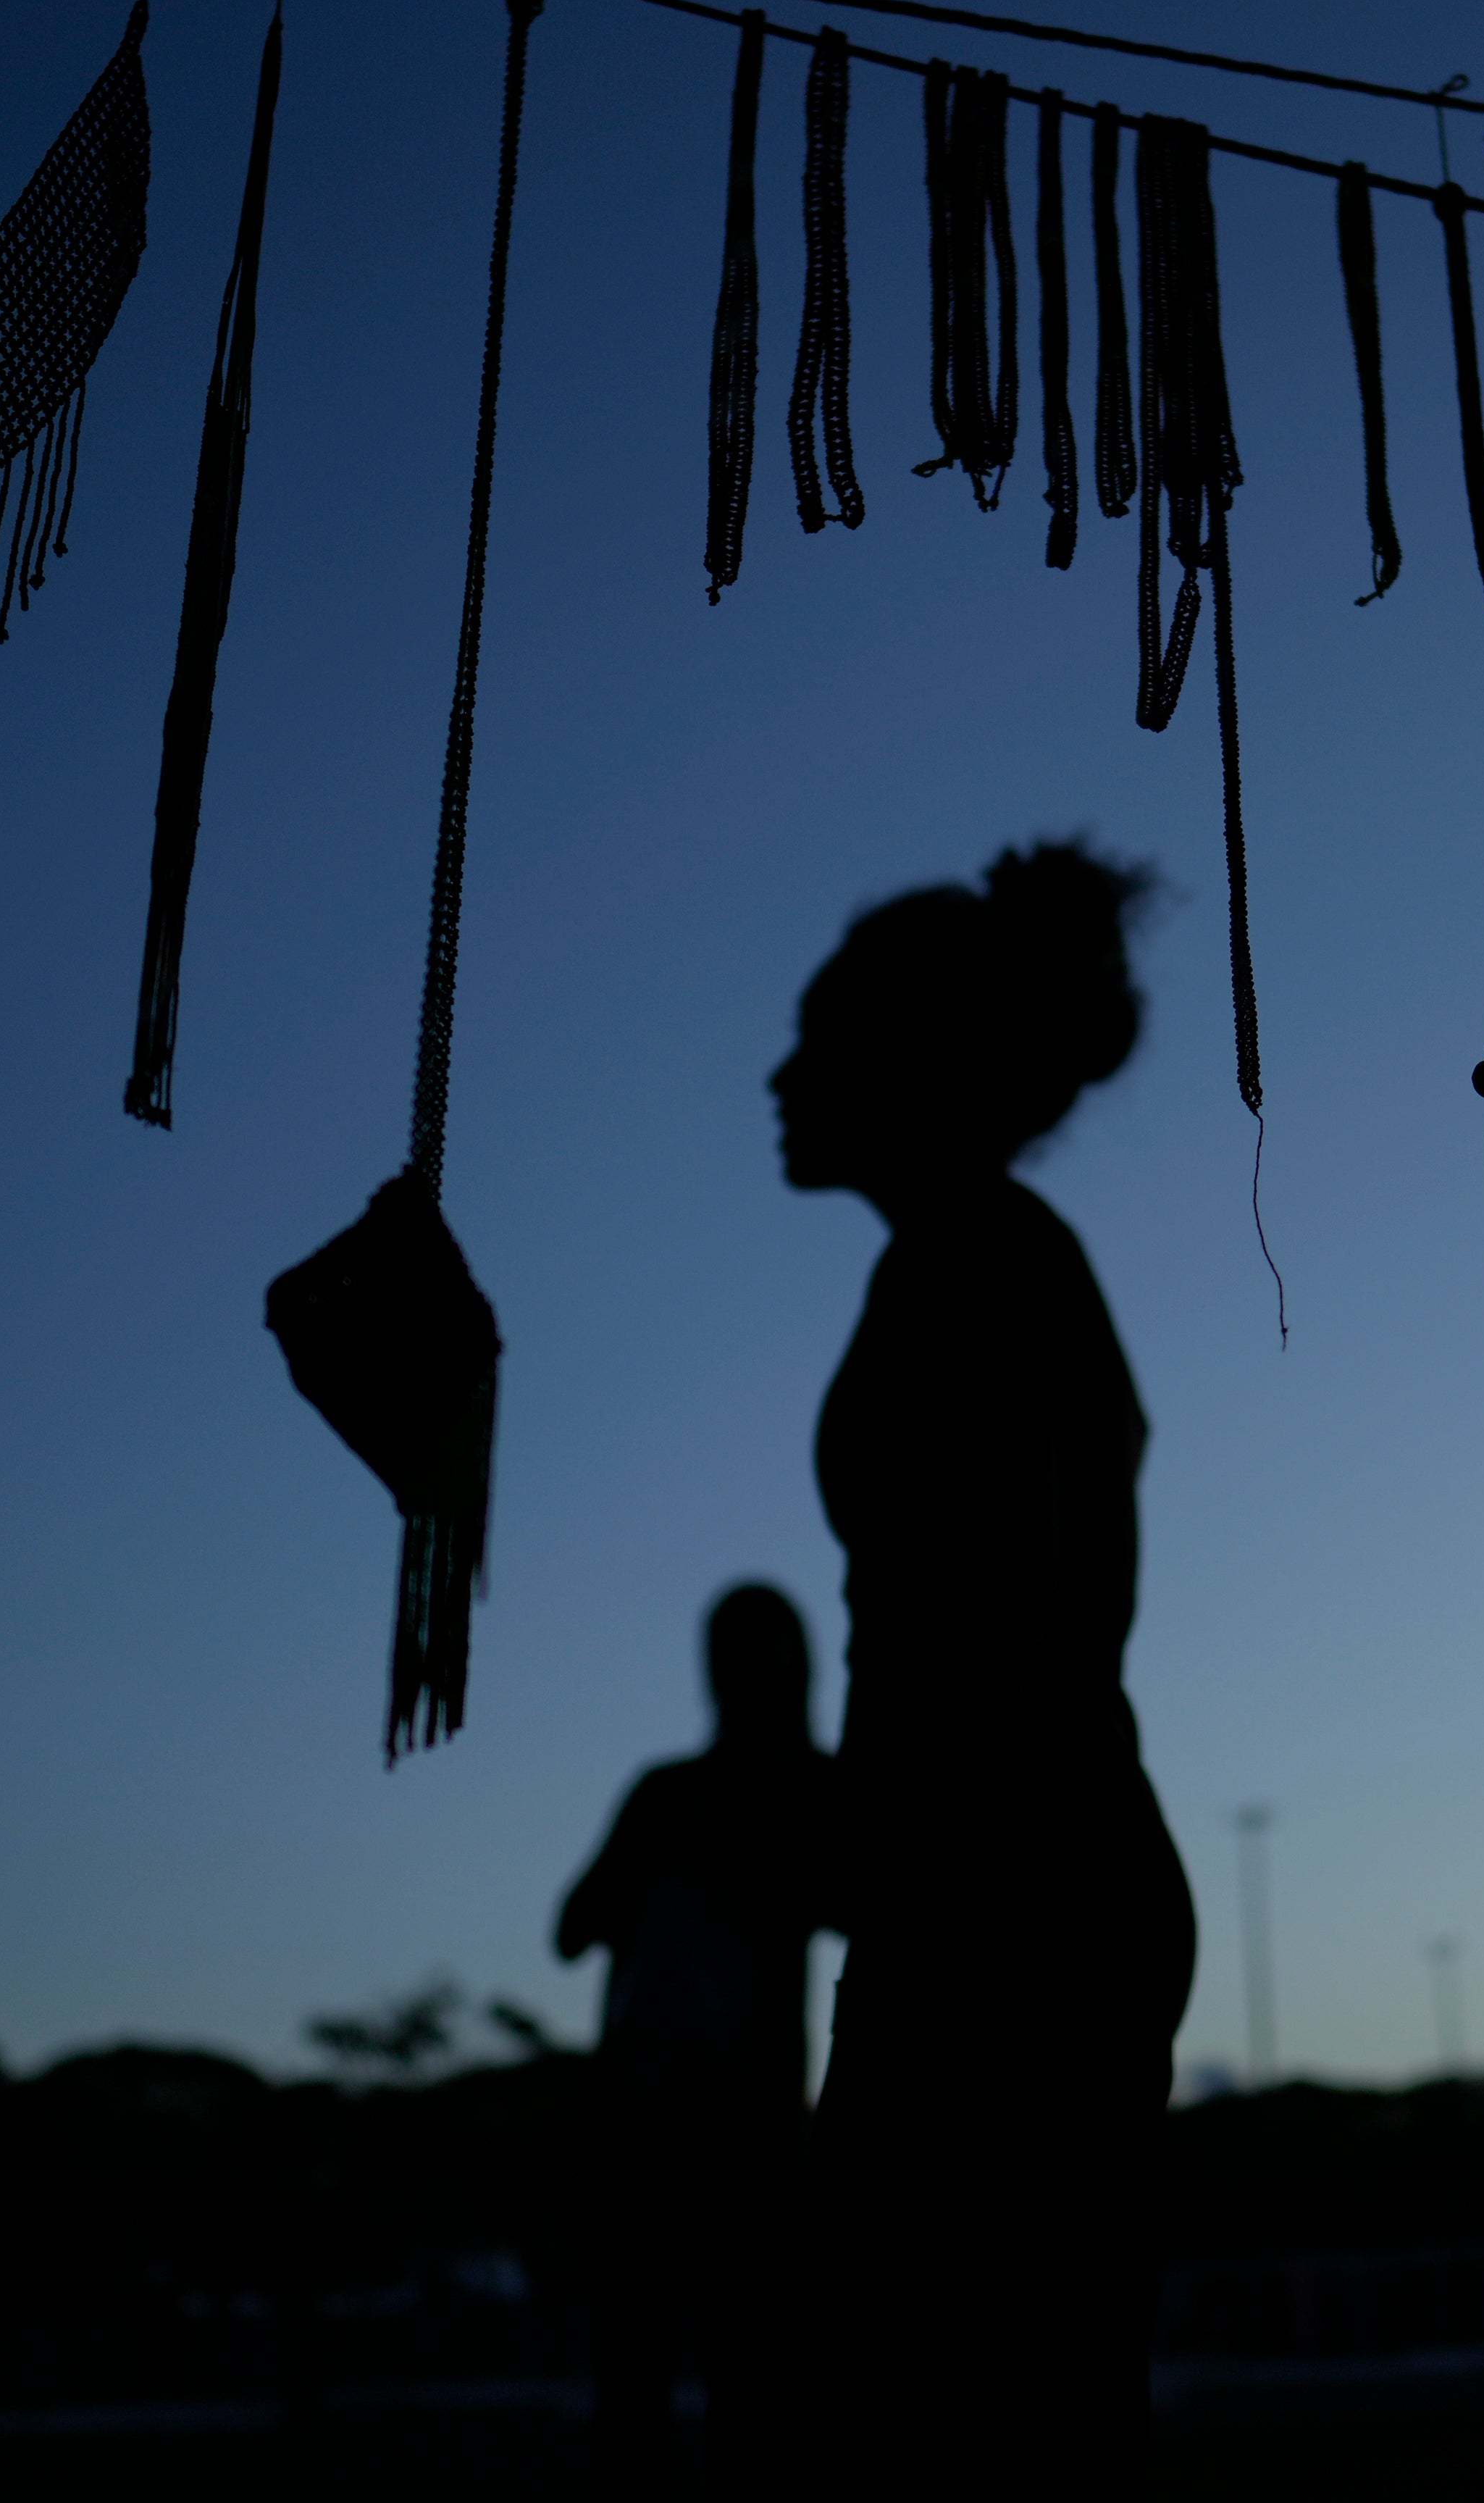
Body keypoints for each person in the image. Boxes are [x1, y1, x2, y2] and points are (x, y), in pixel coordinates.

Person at [771, 840, 1198, 2490]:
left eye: (818, 1037)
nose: (781, 1072)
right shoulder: (986, 1253)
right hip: (1027, 1876)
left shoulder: (971, 1251)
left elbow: (999, 1609)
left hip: (1014, 1892)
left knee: (949, 2414)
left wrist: (900, 1914)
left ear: (909, 1062)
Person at [555, 1581, 845, 2499]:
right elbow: (574, 1925)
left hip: (684, 2120)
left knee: (669, 2372)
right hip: (718, 2125)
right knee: (723, 2374)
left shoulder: (681, 1793)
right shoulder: (793, 1789)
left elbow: (574, 1925)